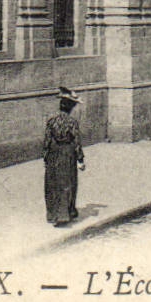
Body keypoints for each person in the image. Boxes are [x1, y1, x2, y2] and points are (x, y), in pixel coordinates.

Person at [42, 86, 85, 227]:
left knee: (52, 183)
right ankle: (66, 213)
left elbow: (47, 140)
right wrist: (80, 159)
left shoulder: (51, 120)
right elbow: (77, 141)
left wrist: (45, 156)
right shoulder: (72, 122)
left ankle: (52, 214)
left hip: (53, 154)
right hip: (67, 153)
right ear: (70, 108)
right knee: (68, 182)